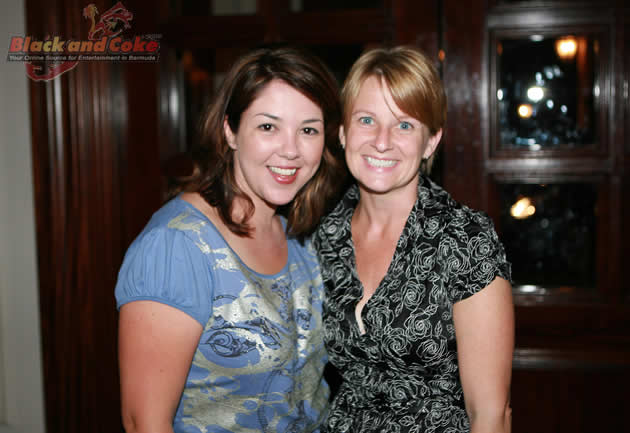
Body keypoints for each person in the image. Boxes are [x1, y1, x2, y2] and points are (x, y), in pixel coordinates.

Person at [115, 46, 344, 433]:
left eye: (308, 130)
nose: (291, 150)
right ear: (230, 131)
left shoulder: (299, 234)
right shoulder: (175, 247)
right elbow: (144, 423)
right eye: (268, 127)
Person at [313, 46, 514, 433]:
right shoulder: (323, 235)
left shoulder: (465, 239)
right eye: (367, 120)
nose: (382, 141)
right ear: (342, 131)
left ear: (431, 141)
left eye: (404, 125)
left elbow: (491, 413)